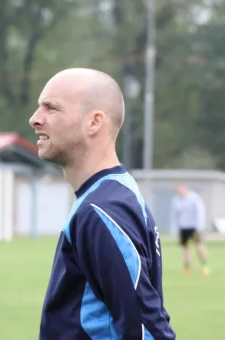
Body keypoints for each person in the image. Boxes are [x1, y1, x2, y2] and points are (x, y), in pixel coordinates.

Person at [29, 68, 176, 340]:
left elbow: (147, 330)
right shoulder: (111, 195)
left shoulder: (102, 210)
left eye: (51, 108)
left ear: (94, 122)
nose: (35, 119)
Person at [171, 183, 210, 276]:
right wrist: (175, 228)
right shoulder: (175, 200)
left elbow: (200, 212)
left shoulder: (194, 198)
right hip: (183, 227)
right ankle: (187, 267)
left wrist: (199, 226)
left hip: (194, 227)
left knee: (198, 245)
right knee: (185, 248)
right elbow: (174, 216)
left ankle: (205, 266)